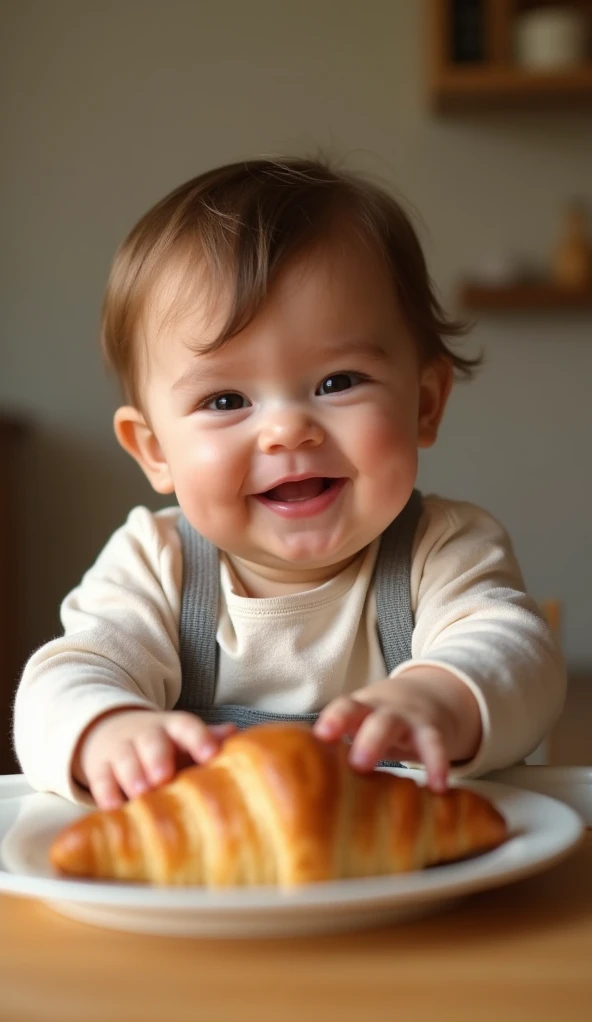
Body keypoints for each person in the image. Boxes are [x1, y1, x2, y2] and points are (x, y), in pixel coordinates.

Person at [13, 157, 565, 810]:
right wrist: (110, 730)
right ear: (155, 450)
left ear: (424, 404)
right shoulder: (155, 565)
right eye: (225, 400)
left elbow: (518, 655)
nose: (286, 432)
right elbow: (64, 679)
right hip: (214, 895)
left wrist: (439, 698)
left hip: (417, 883)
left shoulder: (441, 550)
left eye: (338, 382)